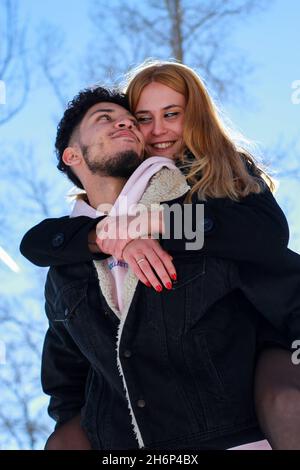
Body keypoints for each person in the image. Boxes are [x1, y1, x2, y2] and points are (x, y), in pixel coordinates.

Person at [20, 64, 300, 449]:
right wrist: (106, 235)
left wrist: (155, 221)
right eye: (141, 118)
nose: (150, 130)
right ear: (72, 155)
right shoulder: (69, 256)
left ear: (195, 118)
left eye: (171, 114)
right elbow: (35, 246)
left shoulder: (212, 186)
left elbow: (267, 239)